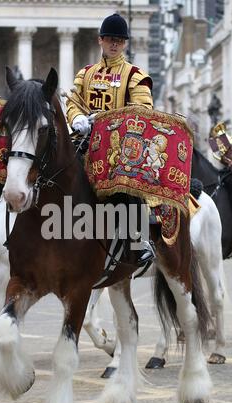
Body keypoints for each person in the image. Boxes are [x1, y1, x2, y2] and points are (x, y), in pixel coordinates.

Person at [66, 13, 155, 267]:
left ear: (124, 44)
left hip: (119, 147)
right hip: (84, 142)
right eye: (109, 39)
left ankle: (140, 240)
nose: (114, 44)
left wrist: (106, 120)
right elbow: (72, 102)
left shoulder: (135, 75)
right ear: (100, 41)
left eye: (118, 40)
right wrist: (77, 119)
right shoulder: (85, 74)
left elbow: (143, 112)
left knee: (126, 182)